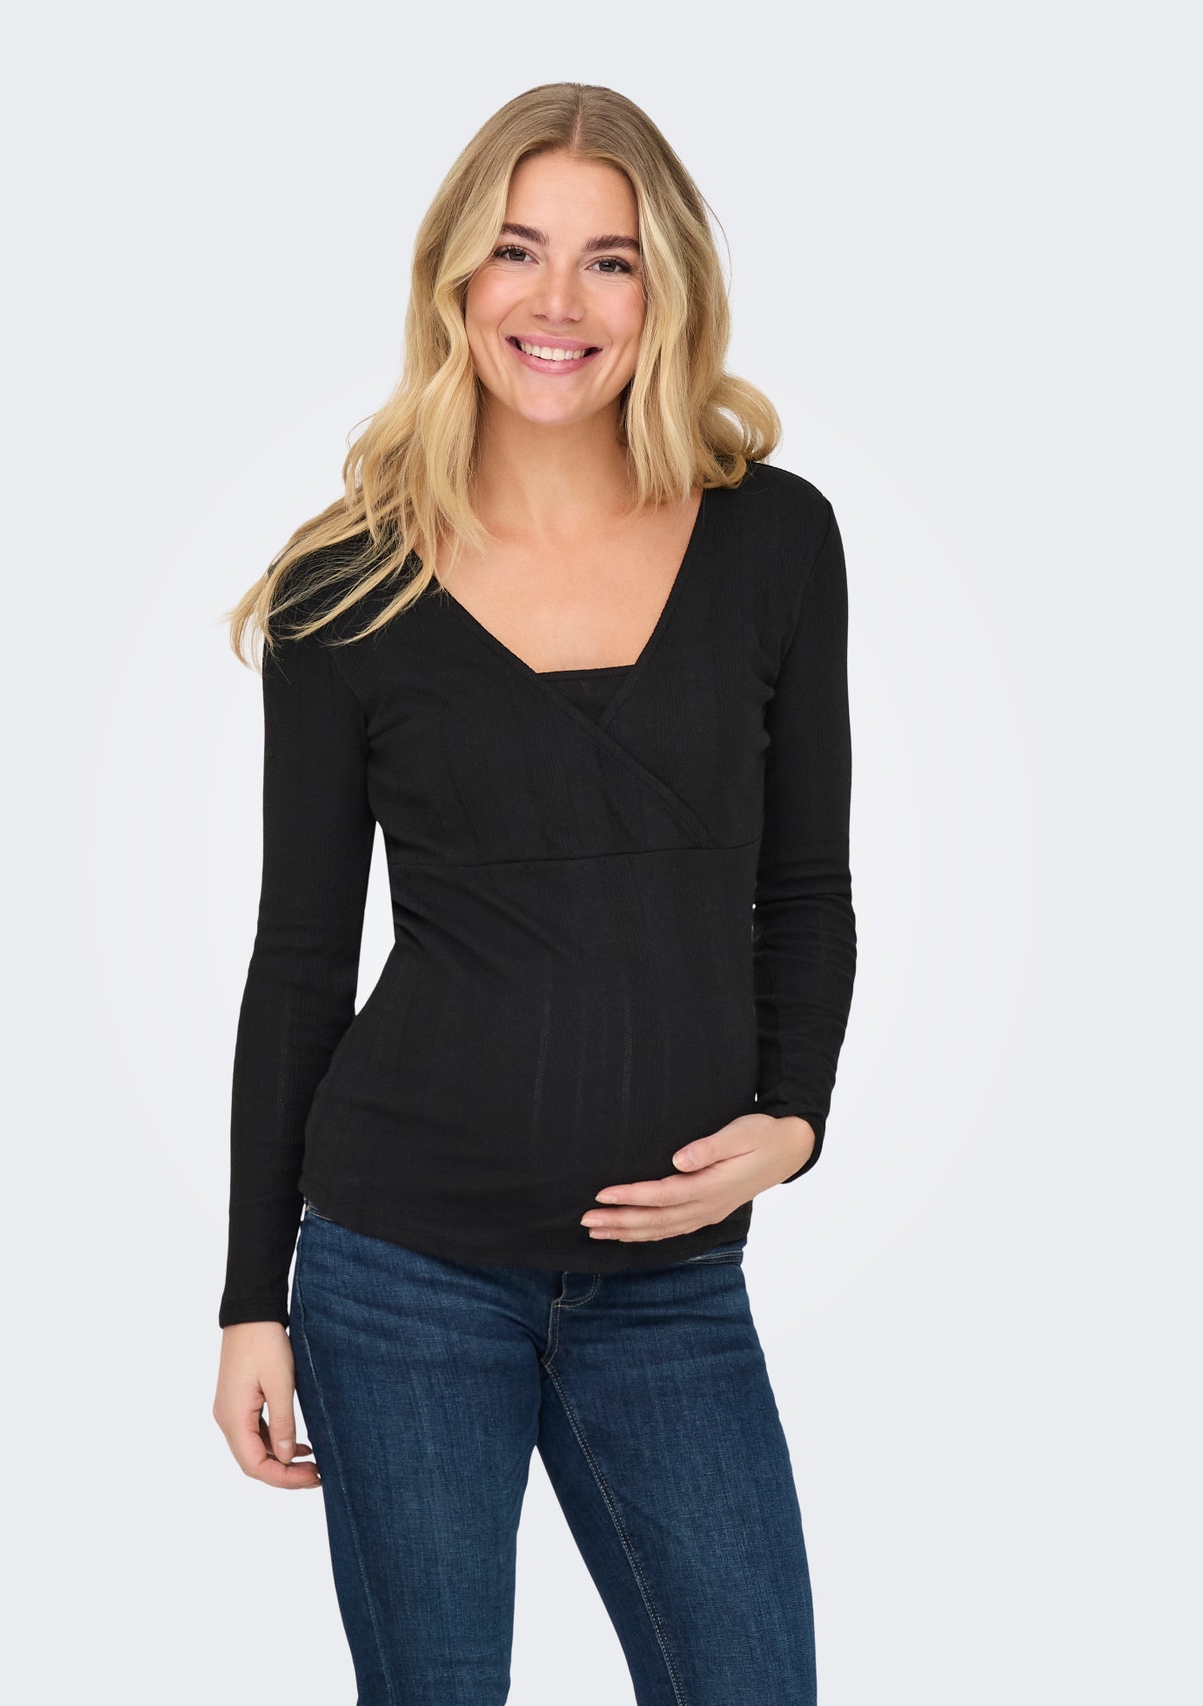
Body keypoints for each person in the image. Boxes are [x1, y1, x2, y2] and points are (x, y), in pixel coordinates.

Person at [212, 81, 856, 1706]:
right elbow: (301, 959)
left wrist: (796, 1116)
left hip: (673, 1287)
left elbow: (806, 878)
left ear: (664, 289)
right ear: (456, 276)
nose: (557, 300)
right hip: (400, 1274)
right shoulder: (347, 585)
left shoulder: (775, 542)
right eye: (517, 250)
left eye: (608, 260)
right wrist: (248, 1301)